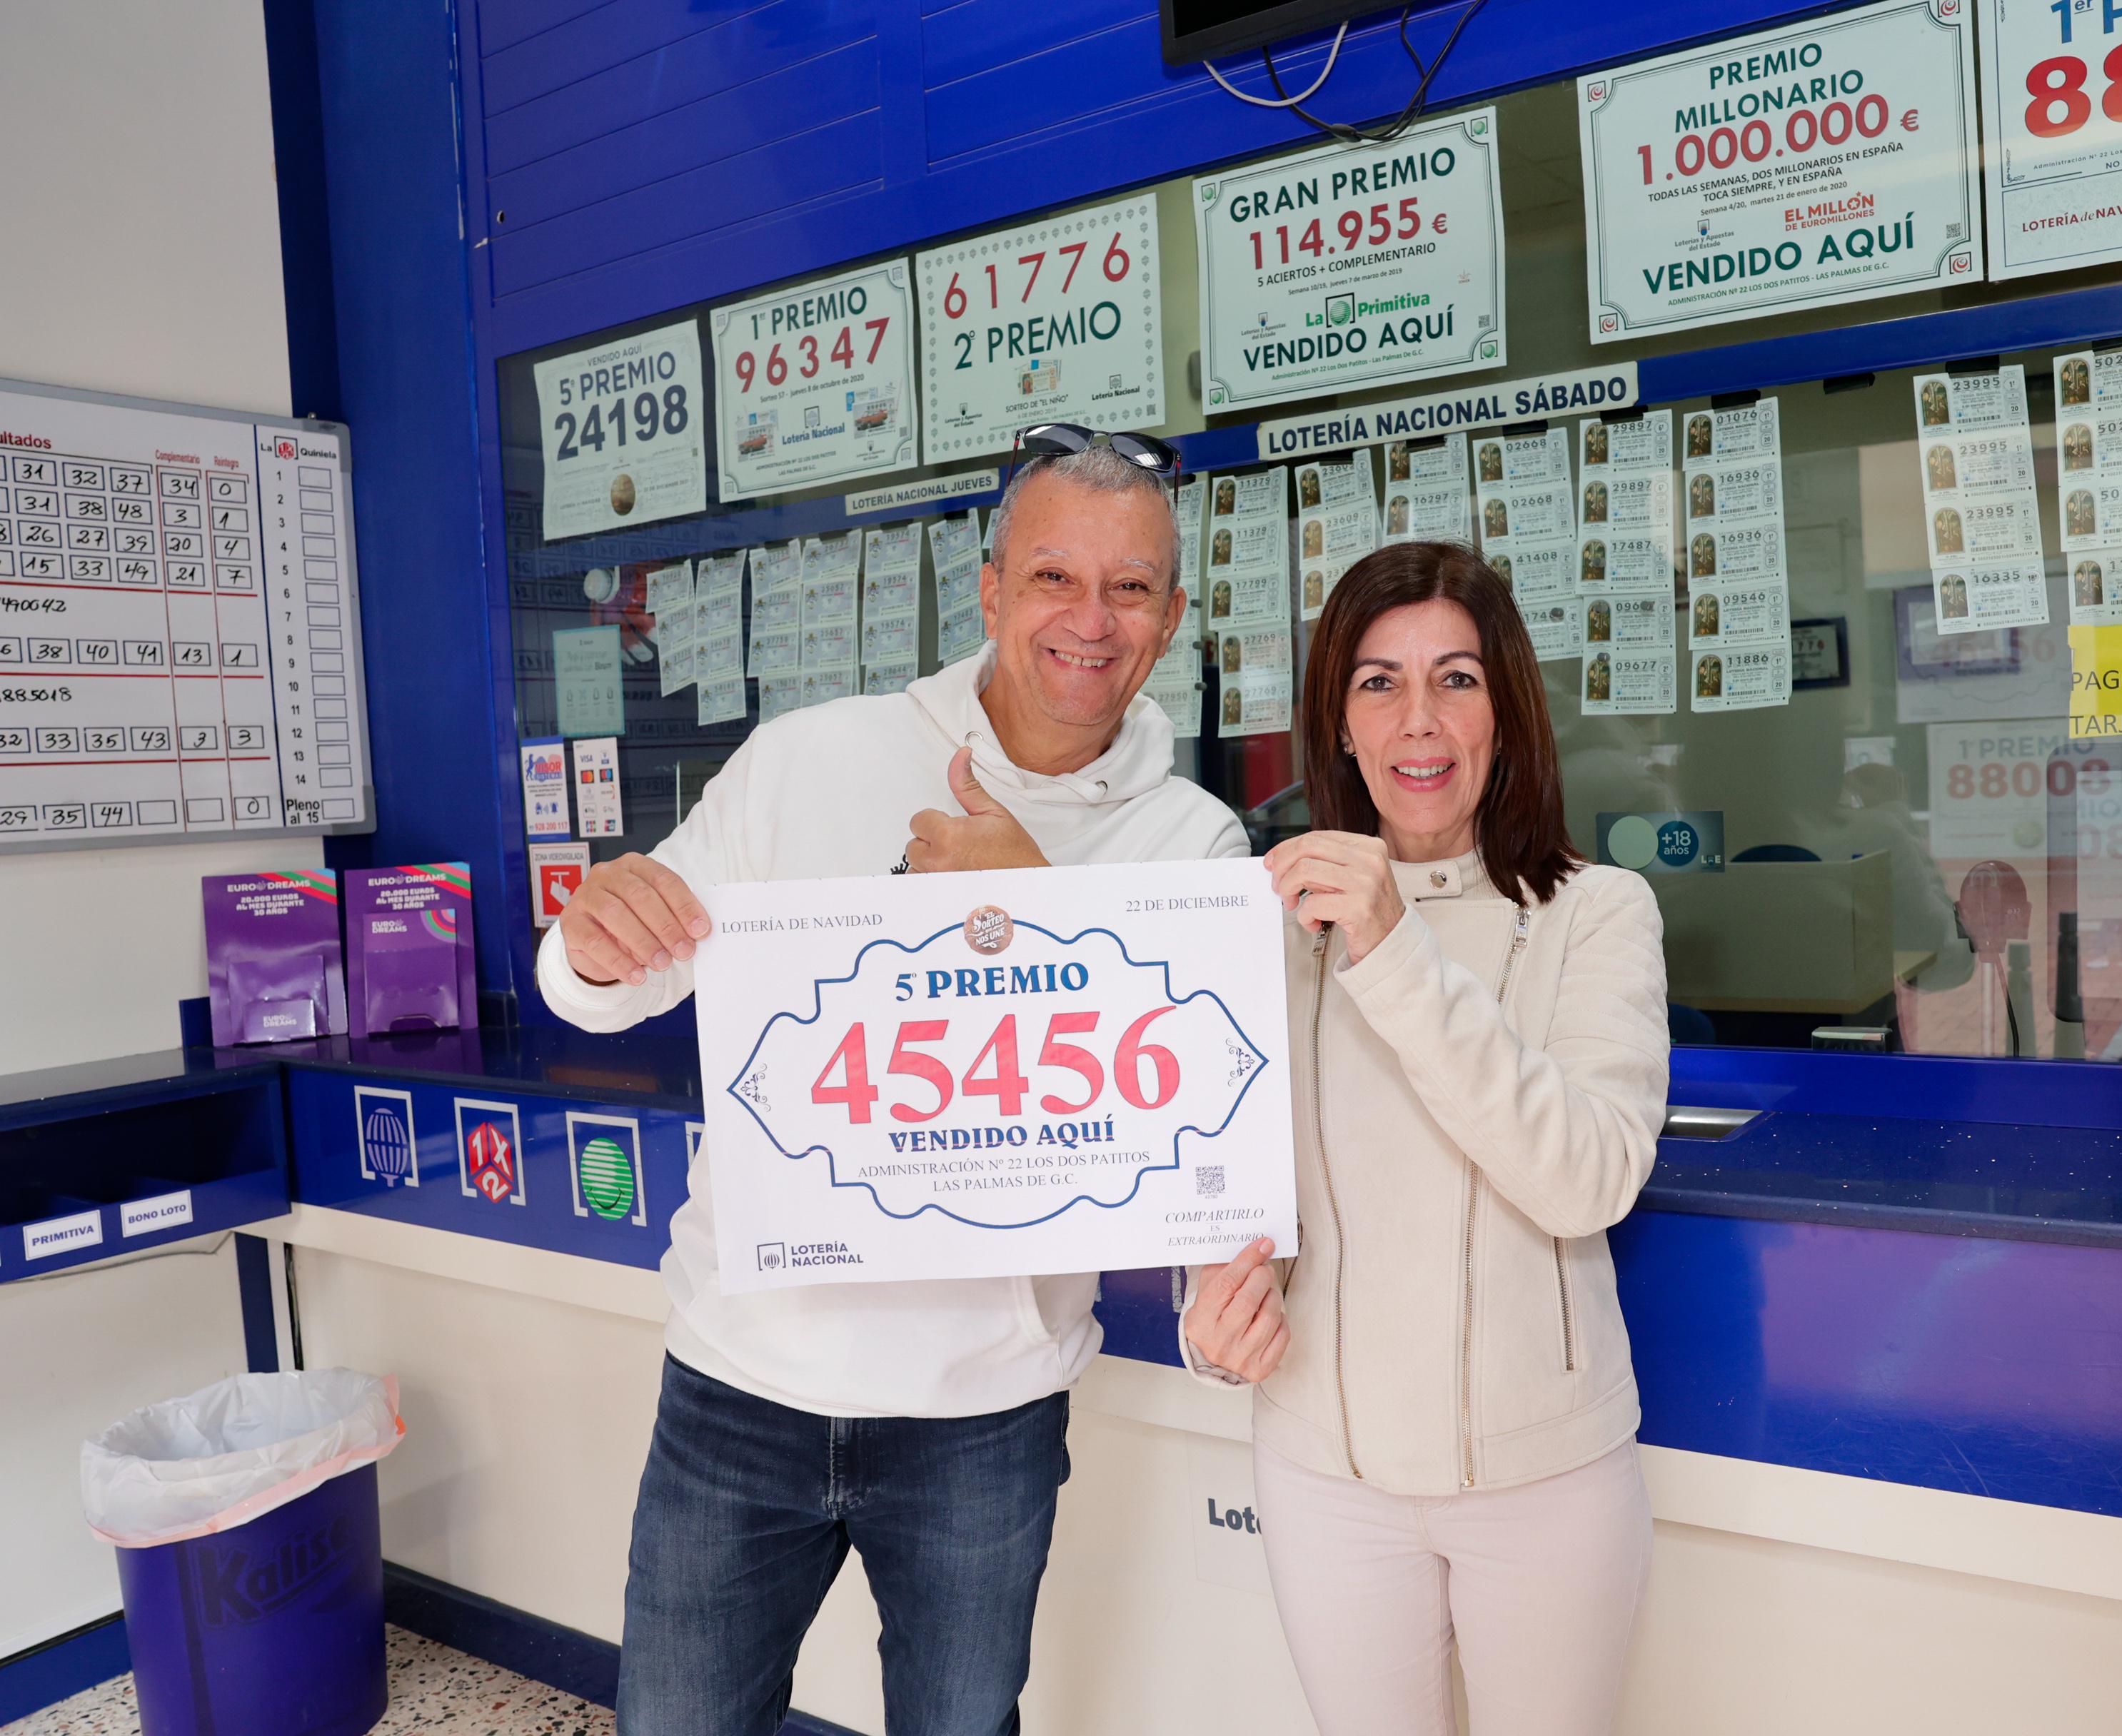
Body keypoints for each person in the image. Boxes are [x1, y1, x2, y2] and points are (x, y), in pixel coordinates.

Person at [537, 430, 1244, 1736]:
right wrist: (589, 938)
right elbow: (611, 979)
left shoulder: (1193, 840)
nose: (1092, 620)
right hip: (739, 1383)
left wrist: (1035, 912)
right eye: (1052, 578)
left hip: (985, 1415)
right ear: (986, 592)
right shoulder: (810, 755)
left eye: (1132, 587)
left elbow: (1196, 1118)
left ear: (1173, 617)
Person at [1180, 541, 1670, 1736]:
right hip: (1324, 1474)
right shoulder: (1268, 930)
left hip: (1545, 1482)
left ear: (1505, 710)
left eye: (1457, 678)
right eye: (1378, 682)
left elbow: (1587, 1175)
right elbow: (1228, 1185)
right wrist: (1211, 1310)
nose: (1420, 719)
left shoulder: (1597, 912)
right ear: (1339, 726)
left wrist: (1394, 946)